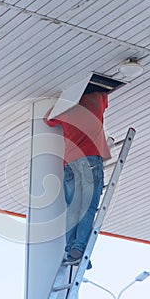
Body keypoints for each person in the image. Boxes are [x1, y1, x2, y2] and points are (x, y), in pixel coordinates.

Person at [43, 85, 111, 268]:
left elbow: (48, 120)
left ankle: (72, 249)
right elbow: (106, 99)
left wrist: (63, 103)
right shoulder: (96, 99)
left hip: (70, 164)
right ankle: (78, 249)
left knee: (73, 210)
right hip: (90, 159)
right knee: (87, 208)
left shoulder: (66, 110)